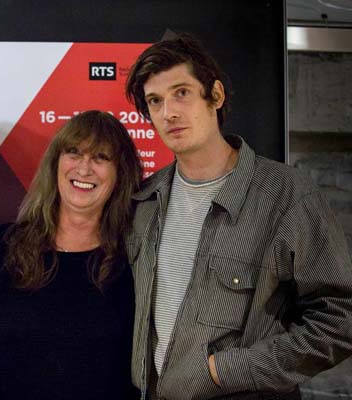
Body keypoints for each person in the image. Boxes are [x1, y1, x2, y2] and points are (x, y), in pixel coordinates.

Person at [124, 32, 352, 399]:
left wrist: (224, 370)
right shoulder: (145, 201)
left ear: (215, 95)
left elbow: (340, 320)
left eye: (181, 92)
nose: (169, 112)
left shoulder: (286, 194)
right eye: (155, 101)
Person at [0, 110, 142, 400]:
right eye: (74, 153)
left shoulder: (133, 259)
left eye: (101, 158)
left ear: (121, 173)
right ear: (55, 163)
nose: (84, 168)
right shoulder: (4, 246)